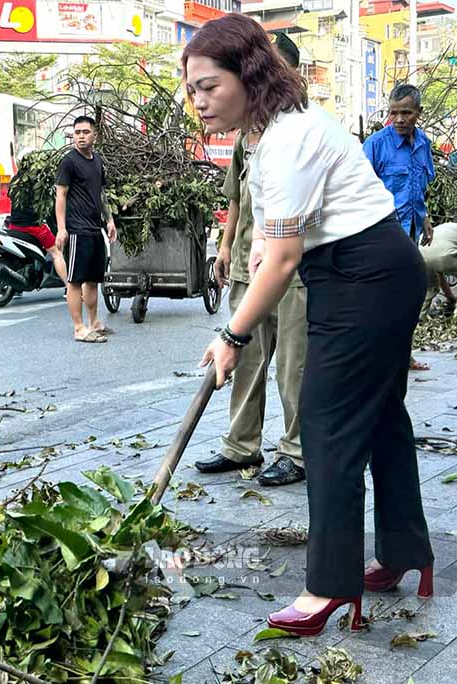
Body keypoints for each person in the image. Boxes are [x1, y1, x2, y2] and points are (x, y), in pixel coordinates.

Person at [186, 14, 434, 638]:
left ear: (248, 74)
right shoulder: (270, 131)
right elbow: (274, 235)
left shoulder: (288, 137)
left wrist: (232, 335)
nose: (198, 101)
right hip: (363, 271)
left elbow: (287, 256)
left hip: (363, 276)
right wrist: (254, 254)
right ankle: (406, 553)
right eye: (191, 89)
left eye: (209, 86)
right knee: (378, 416)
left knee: (325, 424)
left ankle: (329, 583)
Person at [196, 31, 307, 487]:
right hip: (248, 262)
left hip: (291, 270)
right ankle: (242, 446)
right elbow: (239, 199)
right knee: (243, 359)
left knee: (293, 364)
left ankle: (298, 451)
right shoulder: (247, 134)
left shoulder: (296, 130)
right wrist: (225, 248)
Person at [363, 84, 436, 371]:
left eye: (406, 113)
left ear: (419, 113)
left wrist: (426, 216)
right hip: (380, 234)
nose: (400, 119)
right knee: (379, 295)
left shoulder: (424, 145)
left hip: (410, 234)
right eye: (394, 113)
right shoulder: (376, 145)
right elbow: (359, 190)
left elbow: (420, 188)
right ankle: (375, 356)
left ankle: (402, 354)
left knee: (406, 295)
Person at [55, 115, 117, 343]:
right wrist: (62, 229)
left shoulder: (98, 161)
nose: (80, 136)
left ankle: (94, 323)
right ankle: (79, 328)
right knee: (75, 281)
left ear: (95, 135)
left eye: (85, 132)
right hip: (77, 230)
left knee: (92, 280)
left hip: (94, 229)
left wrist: (109, 220)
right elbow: (60, 195)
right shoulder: (69, 162)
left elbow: (101, 194)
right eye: (77, 132)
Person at [8, 168, 68, 283]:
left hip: (14, 226)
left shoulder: (15, 181)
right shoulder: (38, 182)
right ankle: (68, 286)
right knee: (57, 253)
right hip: (34, 227)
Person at [420, 222, 457, 318]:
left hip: (420, 252)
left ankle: (419, 319)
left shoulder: (449, 226)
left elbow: (439, 273)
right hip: (444, 254)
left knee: (429, 290)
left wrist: (451, 298)